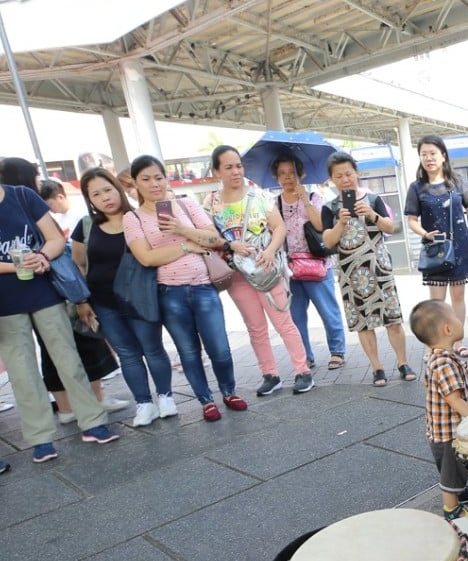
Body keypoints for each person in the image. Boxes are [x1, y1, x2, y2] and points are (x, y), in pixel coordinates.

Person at [0, 161, 120, 464]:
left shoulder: (21, 196)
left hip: (44, 291)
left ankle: (92, 420)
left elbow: (55, 238)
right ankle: (40, 438)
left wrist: (41, 256)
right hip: (5, 302)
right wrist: (16, 266)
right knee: (21, 370)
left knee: (67, 356)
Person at [126, 154, 247, 422]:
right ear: (135, 183)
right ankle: (205, 400)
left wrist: (181, 228)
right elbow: (146, 257)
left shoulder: (186, 204)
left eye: (158, 177)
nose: (154, 184)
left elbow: (213, 239)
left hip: (203, 287)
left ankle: (229, 391)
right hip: (169, 293)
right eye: (145, 179)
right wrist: (185, 246)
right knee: (189, 352)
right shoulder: (132, 218)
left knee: (220, 348)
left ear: (165, 178)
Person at [205, 145, 313, 397]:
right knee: (255, 327)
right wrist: (230, 245)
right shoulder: (211, 202)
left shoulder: (258, 195)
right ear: (216, 171)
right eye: (229, 167)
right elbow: (209, 235)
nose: (235, 171)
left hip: (266, 268)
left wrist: (269, 252)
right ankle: (270, 374)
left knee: (283, 322)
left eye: (238, 166)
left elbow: (279, 228)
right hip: (237, 273)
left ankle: (303, 371)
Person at [74, 167, 177, 427]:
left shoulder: (140, 218)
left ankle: (165, 397)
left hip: (141, 297)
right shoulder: (86, 226)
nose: (105, 197)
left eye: (108, 189)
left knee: (152, 349)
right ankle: (144, 403)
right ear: (90, 200)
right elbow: (79, 265)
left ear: (118, 188)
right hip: (104, 302)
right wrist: (82, 301)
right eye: (95, 194)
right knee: (127, 354)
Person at [322, 152, 416, 387]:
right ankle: (377, 368)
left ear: (356, 173)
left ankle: (403, 362)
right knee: (363, 322)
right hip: (350, 275)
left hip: (379, 269)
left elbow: (392, 227)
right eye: (339, 176)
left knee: (392, 319)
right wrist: (340, 223)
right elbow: (328, 241)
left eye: (348, 173)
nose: (345, 179)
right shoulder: (330, 208)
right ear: (332, 180)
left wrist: (372, 214)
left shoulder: (373, 199)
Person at [405, 135, 468, 359]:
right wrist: (425, 234)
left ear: (443, 156)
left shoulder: (457, 181)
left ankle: (457, 342)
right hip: (435, 249)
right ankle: (434, 346)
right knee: (437, 302)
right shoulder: (416, 187)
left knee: (458, 297)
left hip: (460, 247)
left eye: (433, 153)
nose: (428, 158)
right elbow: (411, 220)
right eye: (424, 154)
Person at [271, 155, 347, 372]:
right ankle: (305, 356)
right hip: (290, 268)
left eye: (292, 173)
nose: (287, 178)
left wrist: (304, 199)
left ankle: (337, 351)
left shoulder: (314, 197)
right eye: (282, 174)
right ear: (277, 178)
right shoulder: (274, 204)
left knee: (327, 310)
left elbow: (321, 226)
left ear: (301, 174)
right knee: (296, 316)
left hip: (317, 264)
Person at [409, 299, 468, 521]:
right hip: (448, 435)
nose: (460, 321)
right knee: (451, 475)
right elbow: (455, 401)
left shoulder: (441, 358)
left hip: (448, 430)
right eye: (456, 318)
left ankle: (460, 493)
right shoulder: (444, 364)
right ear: (448, 329)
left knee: (459, 469)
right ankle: (452, 509)